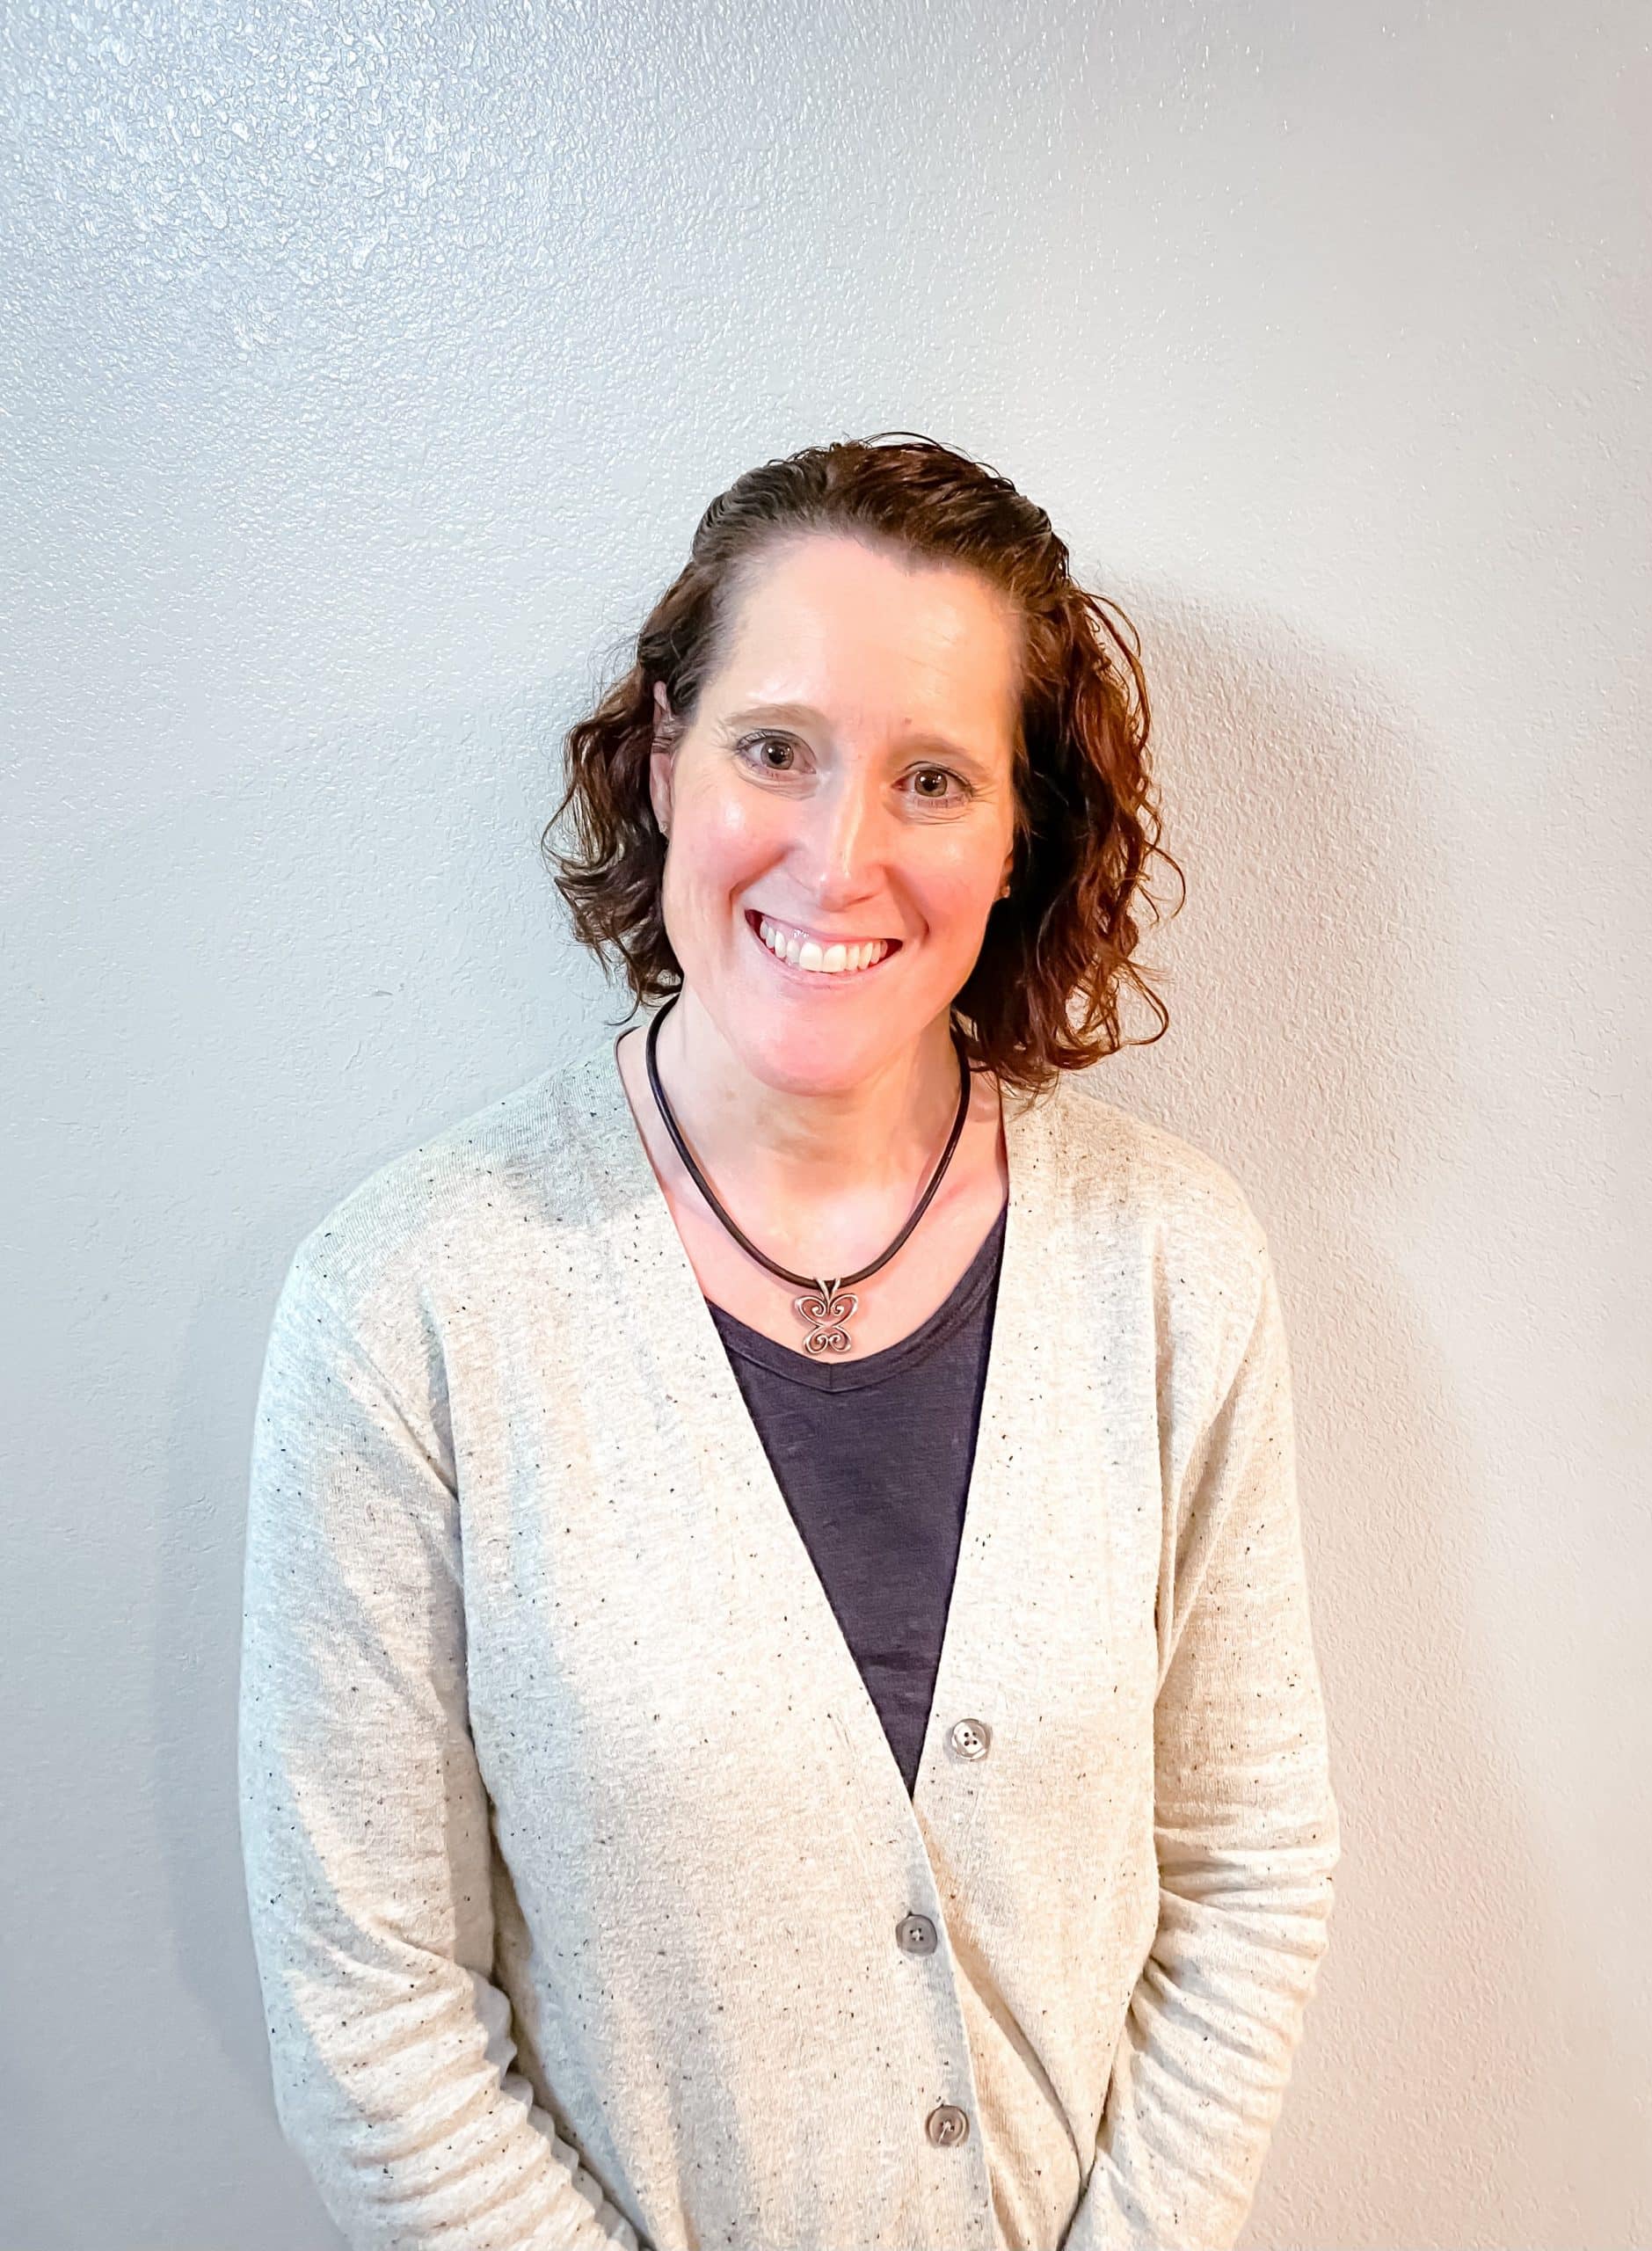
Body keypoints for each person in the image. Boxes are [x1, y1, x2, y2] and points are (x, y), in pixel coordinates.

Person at [238, 432, 1341, 2251]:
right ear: (665, 755)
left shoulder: (1170, 1262)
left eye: (932, 776)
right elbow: (374, 2019)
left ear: (1019, 835)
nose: (840, 856)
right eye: (774, 749)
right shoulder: (408, 1302)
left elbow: (1250, 1868)